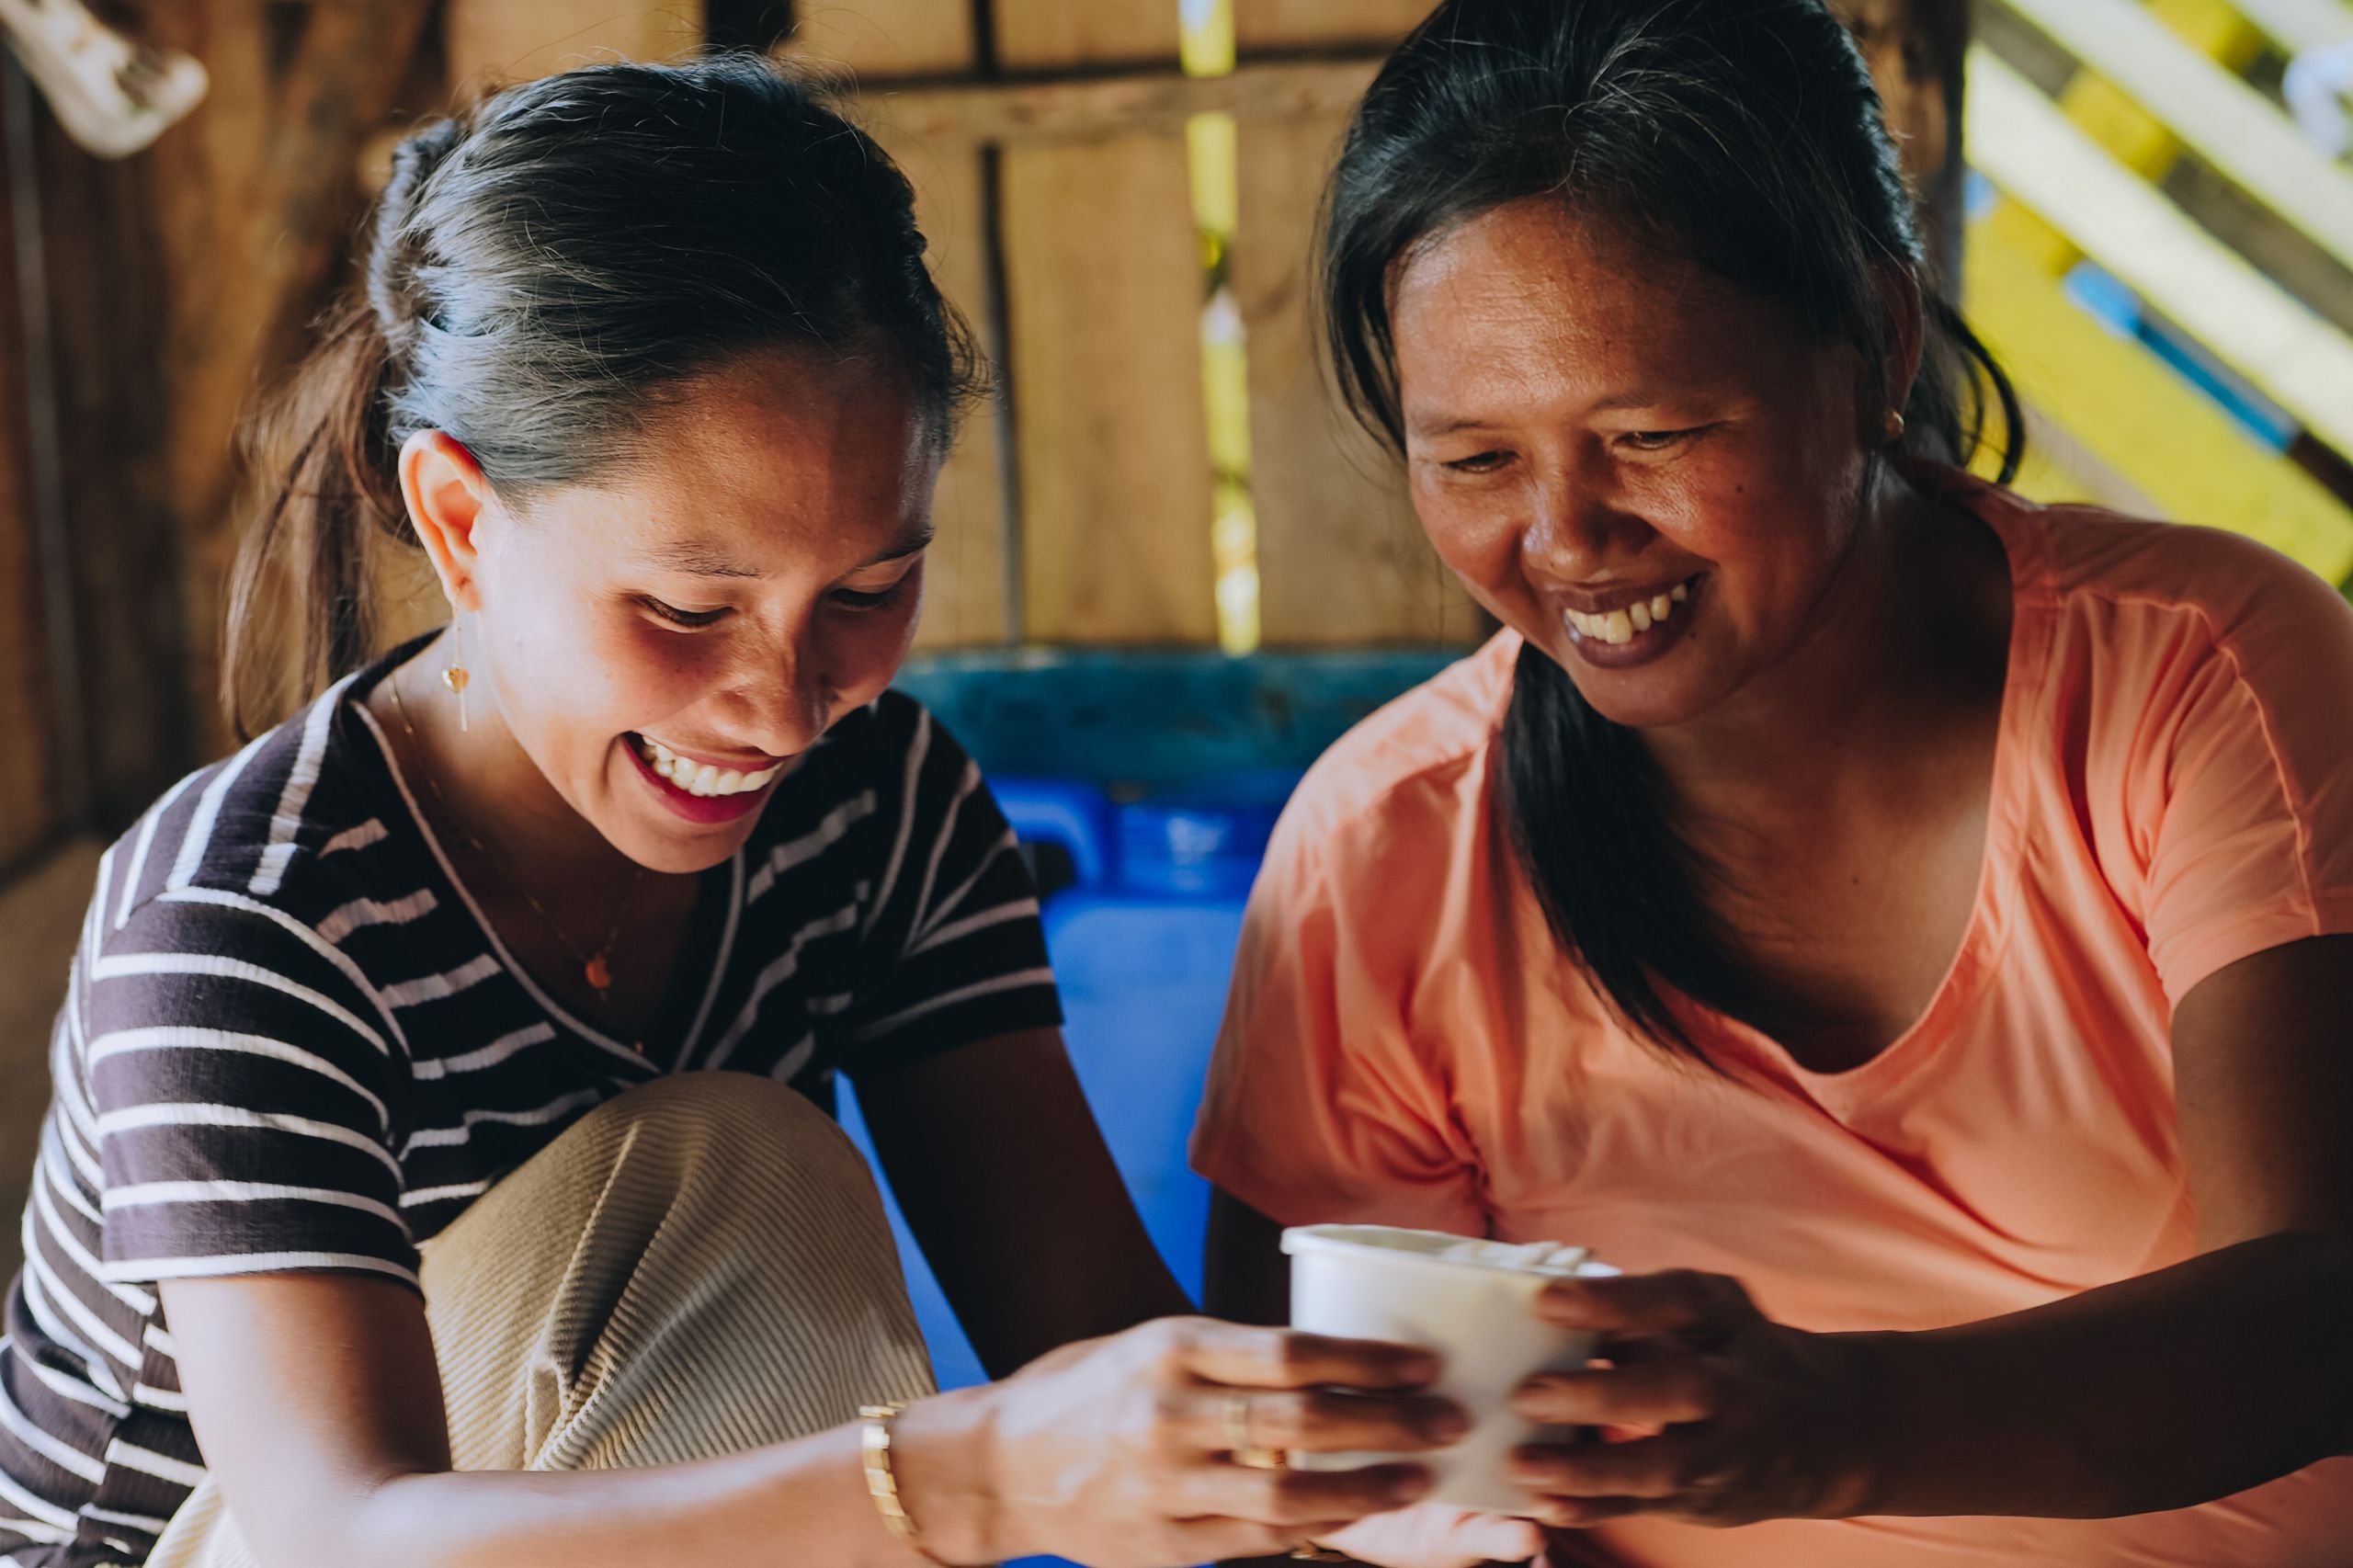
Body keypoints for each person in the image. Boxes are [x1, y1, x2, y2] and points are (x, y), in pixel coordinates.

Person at [0, 56, 1537, 1568]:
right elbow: (349, 1530)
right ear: (460, 522)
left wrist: (1371, 1511)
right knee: (737, 1162)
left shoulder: (880, 811)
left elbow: (1094, 1345)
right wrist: (966, 1483)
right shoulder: (244, 931)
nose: (787, 701)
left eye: (868, 589)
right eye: (685, 604)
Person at [1195, 2, 2353, 1564]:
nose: (1564, 538)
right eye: (1474, 461)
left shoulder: (2195, 673)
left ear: (1876, 336)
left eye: (1654, 432)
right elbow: (1310, 1482)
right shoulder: (1387, 849)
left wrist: (1832, 1426)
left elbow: (2315, 1309)